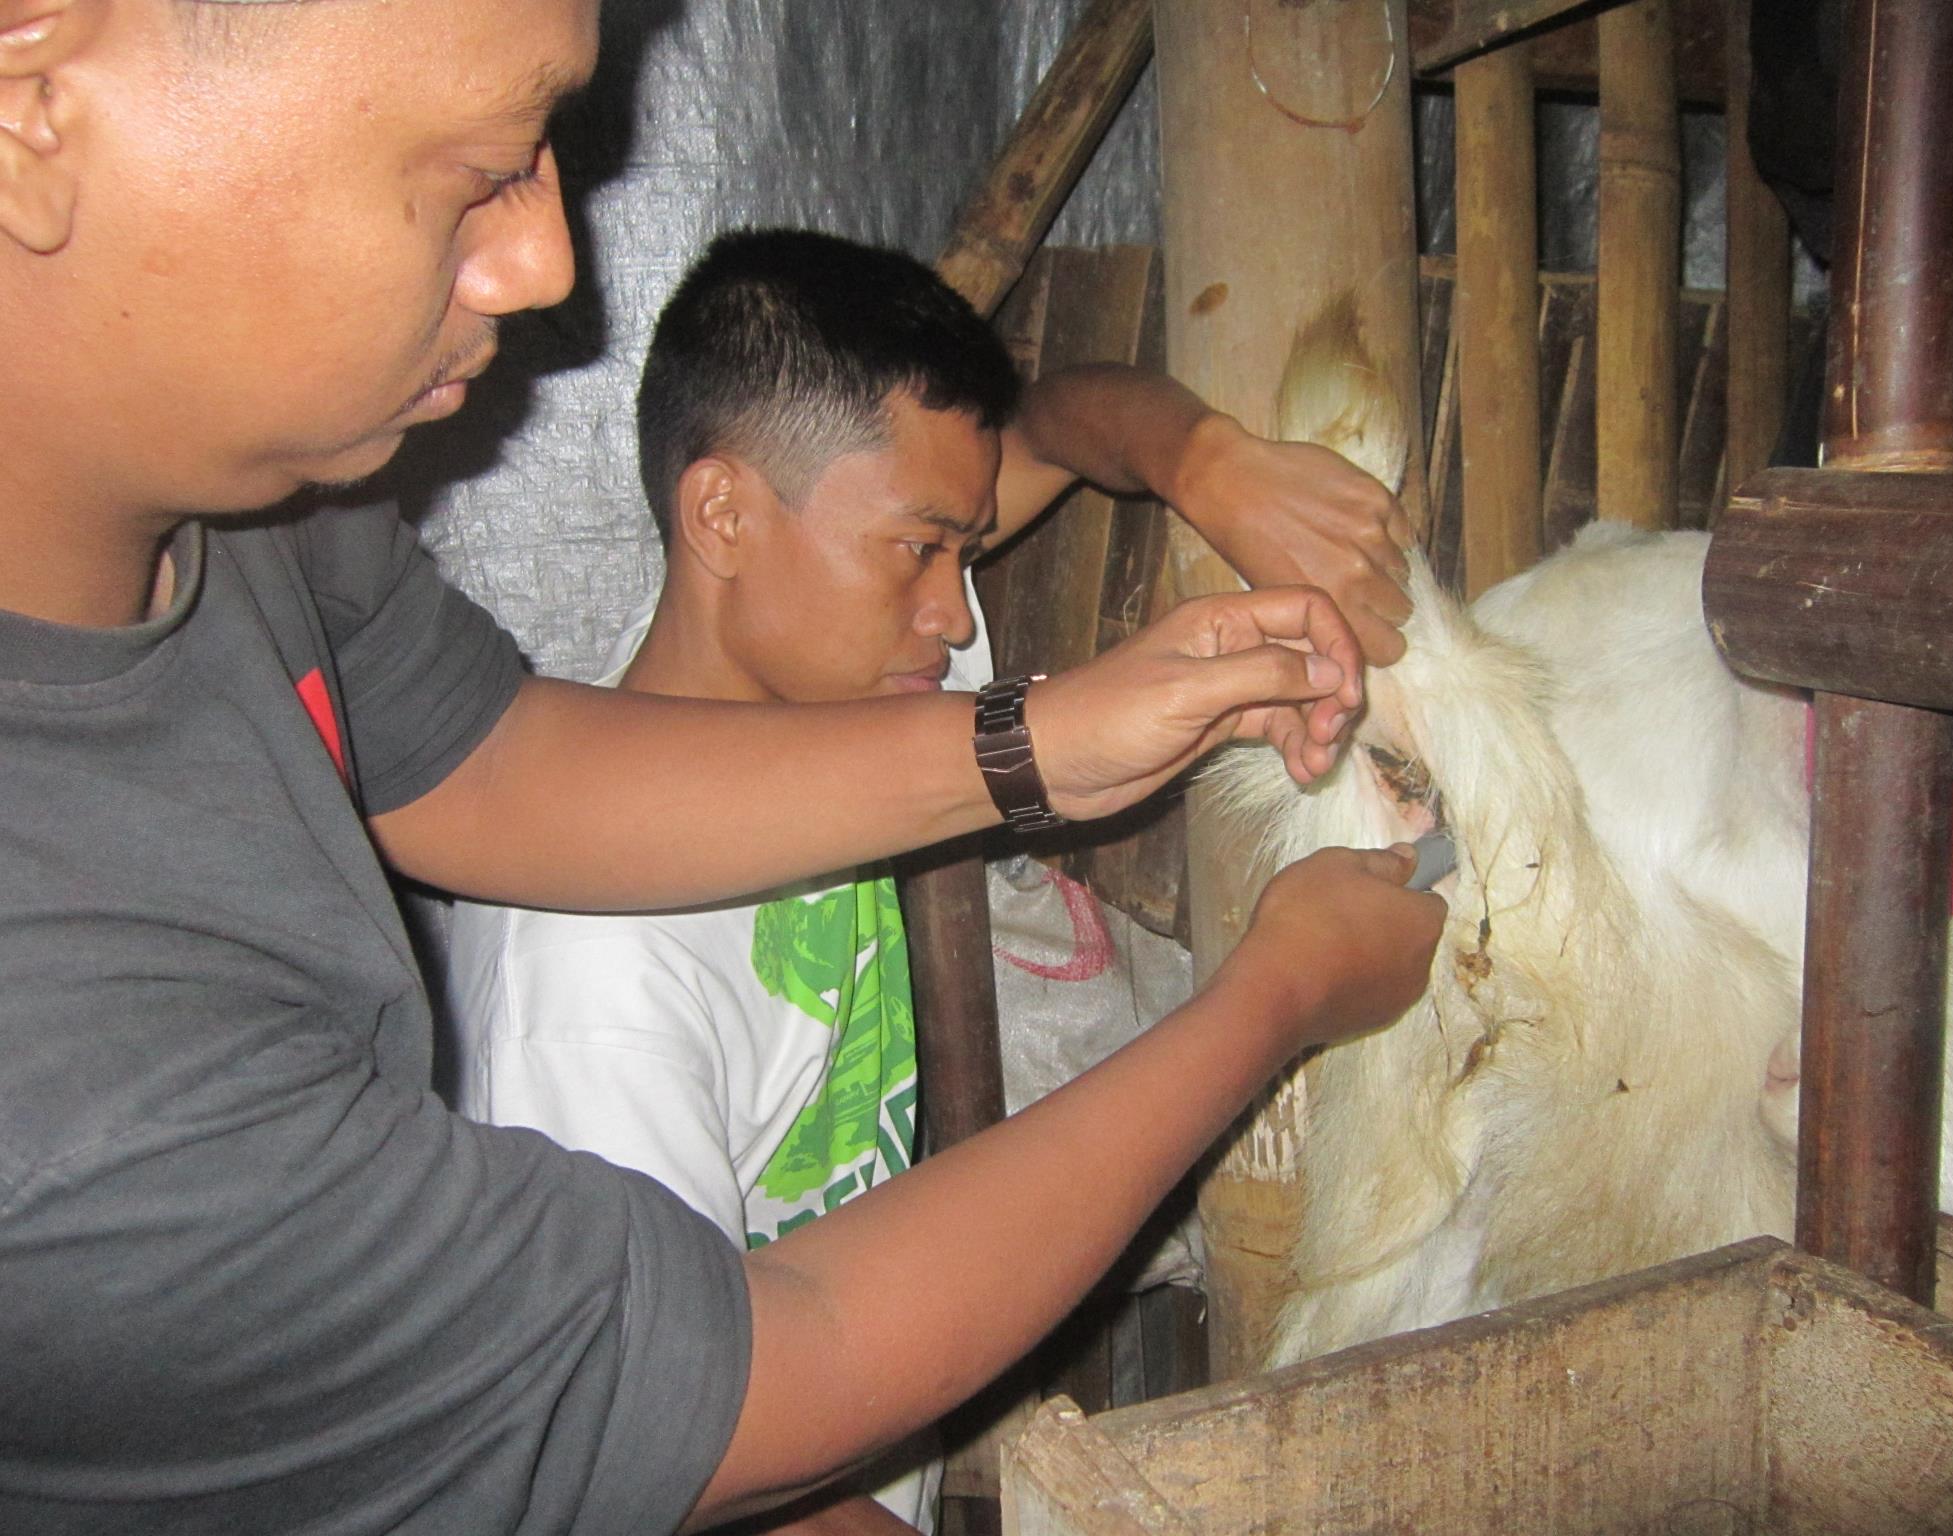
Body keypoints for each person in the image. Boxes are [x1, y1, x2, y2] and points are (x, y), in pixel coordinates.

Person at [0, 3, 1447, 1534]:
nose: (550, 264)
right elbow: (738, 1404)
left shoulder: (259, 527)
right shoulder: (86, 1080)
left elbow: (497, 765)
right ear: (31, 98)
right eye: (482, 166)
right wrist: (1273, 998)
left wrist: (1048, 742)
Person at [446, 226, 1415, 1534]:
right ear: (722, 515)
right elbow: (675, 1473)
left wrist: (1212, 464)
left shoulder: (821, 661)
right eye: (920, 550)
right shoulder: (587, 991)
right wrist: (1282, 991)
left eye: (965, 548)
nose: (958, 618)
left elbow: (1062, 422)